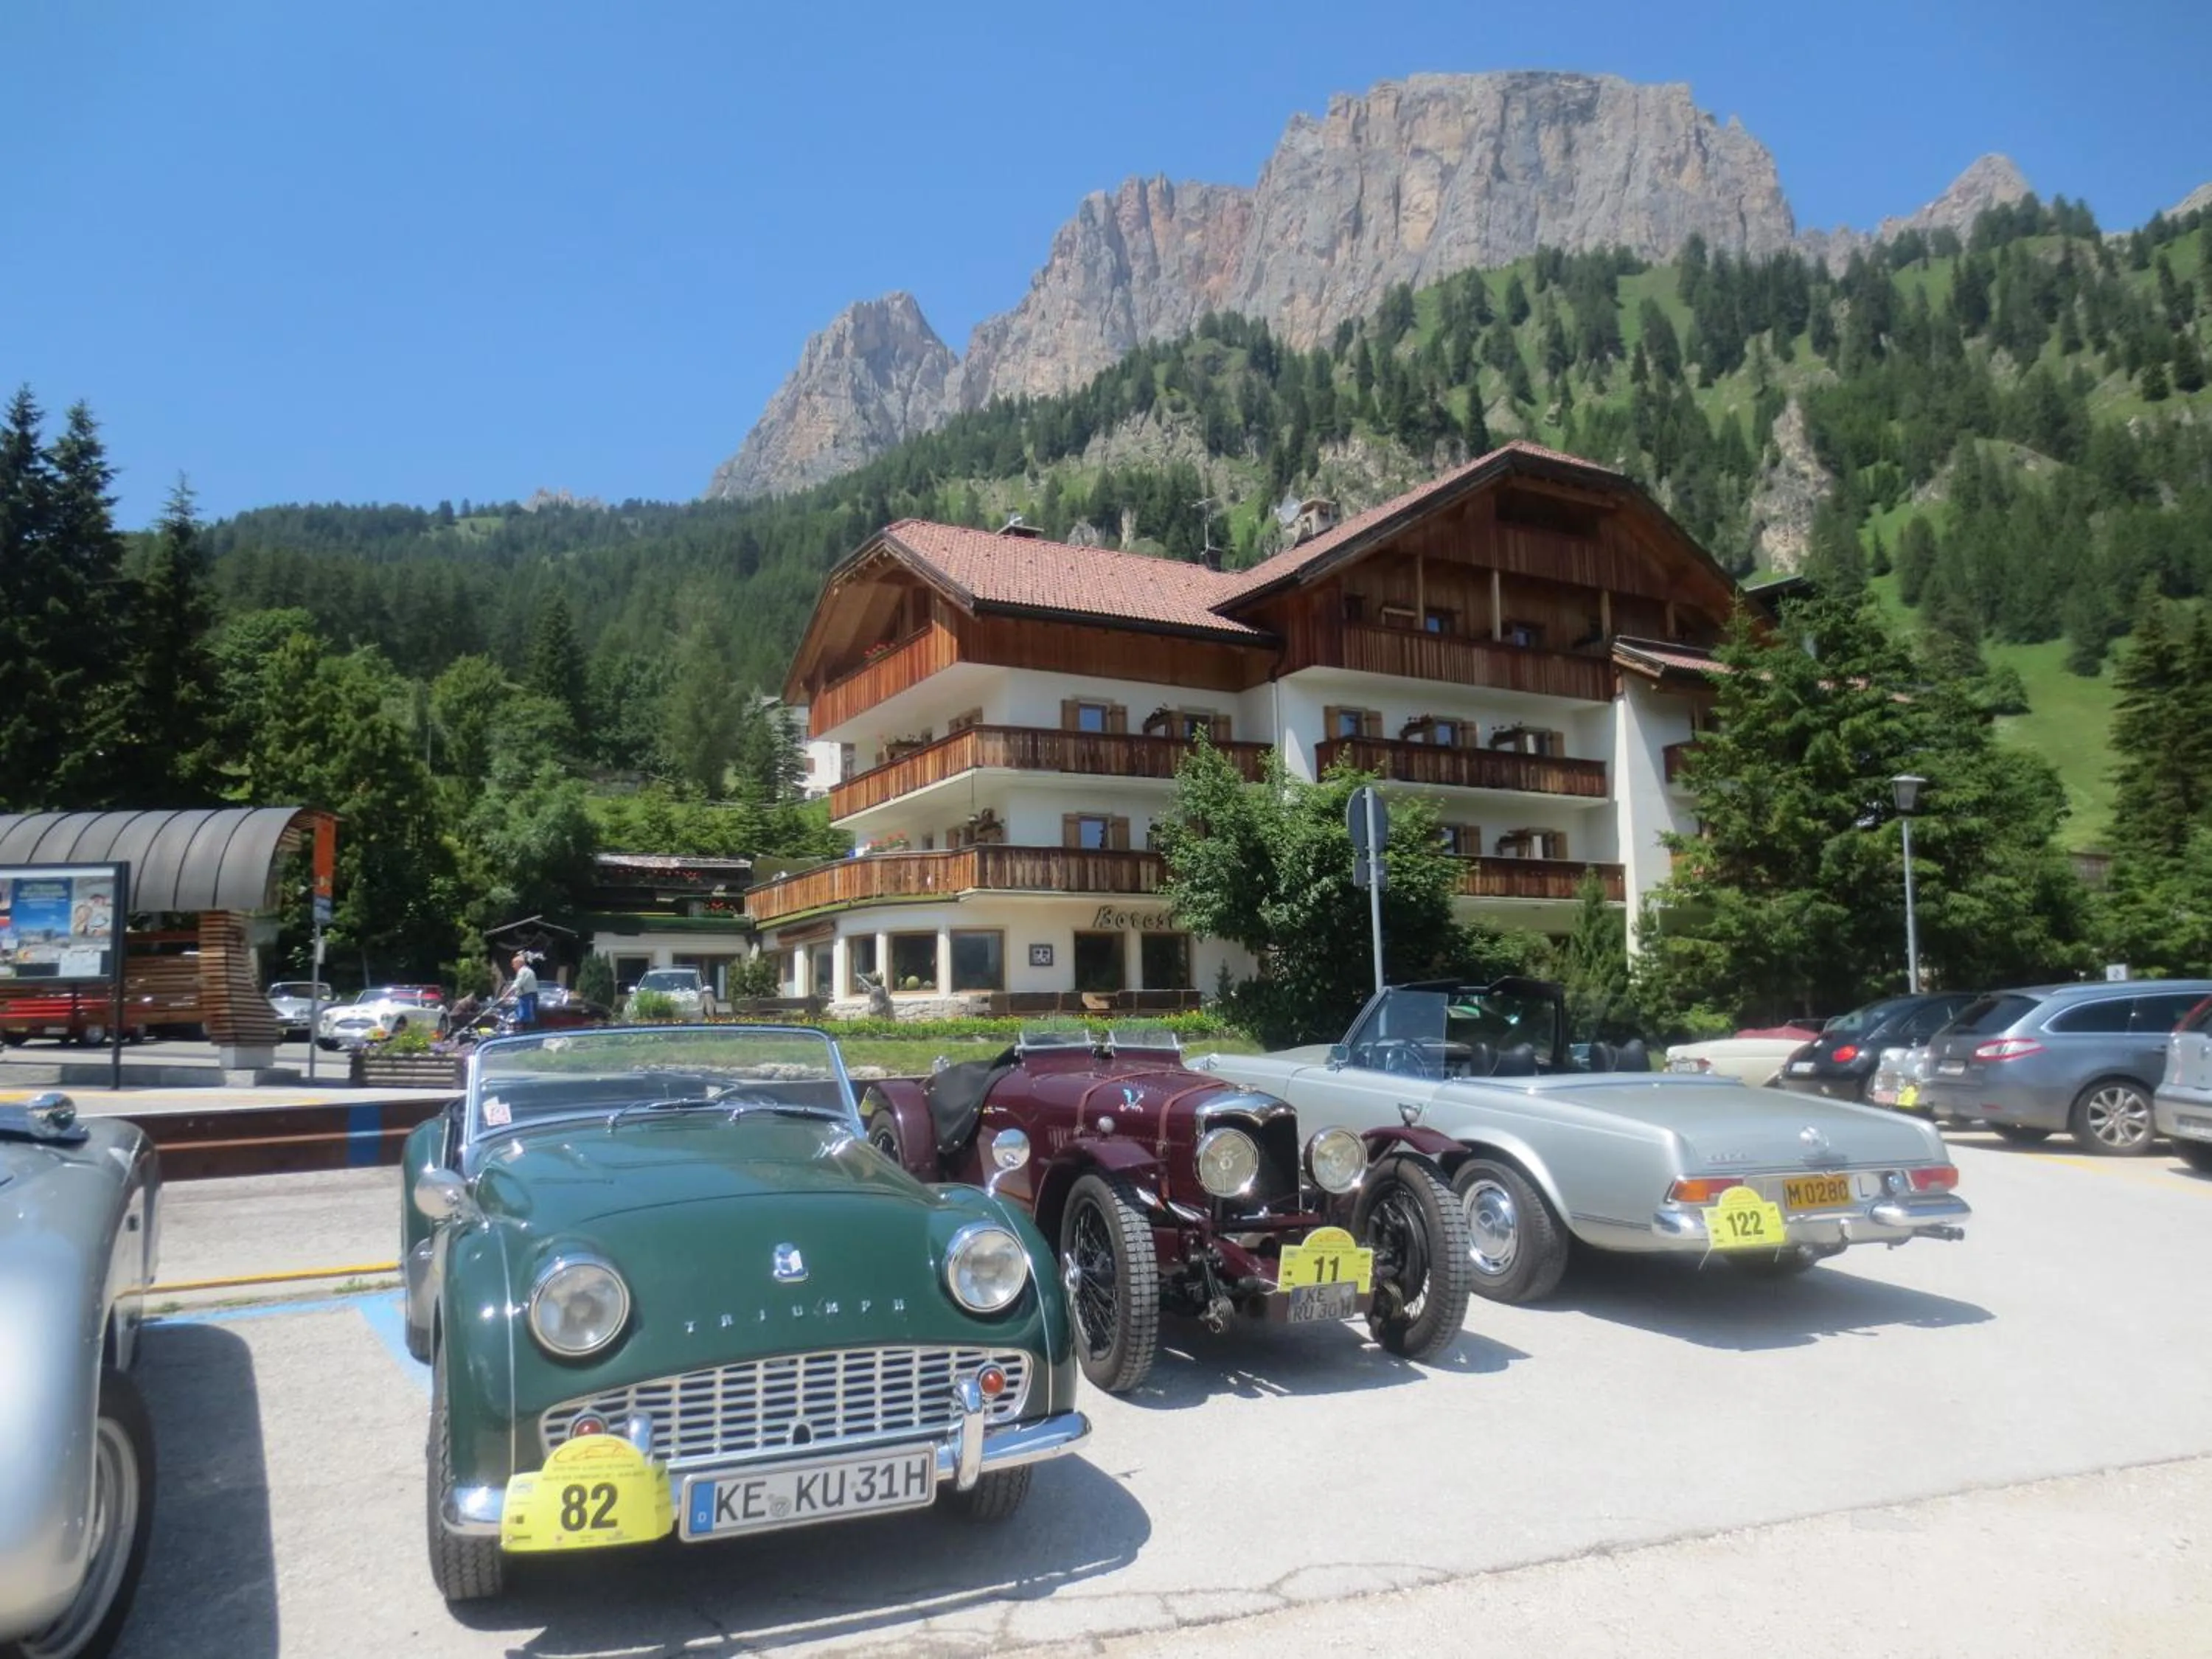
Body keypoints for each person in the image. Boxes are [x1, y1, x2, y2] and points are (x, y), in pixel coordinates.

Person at [509, 953, 539, 1028]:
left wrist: (505, 995)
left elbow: (517, 984)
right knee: (531, 1017)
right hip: (532, 996)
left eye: (514, 964)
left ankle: (524, 1031)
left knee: (525, 1018)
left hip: (526, 997)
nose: (513, 966)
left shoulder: (522, 971)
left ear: (519, 963)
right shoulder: (529, 971)